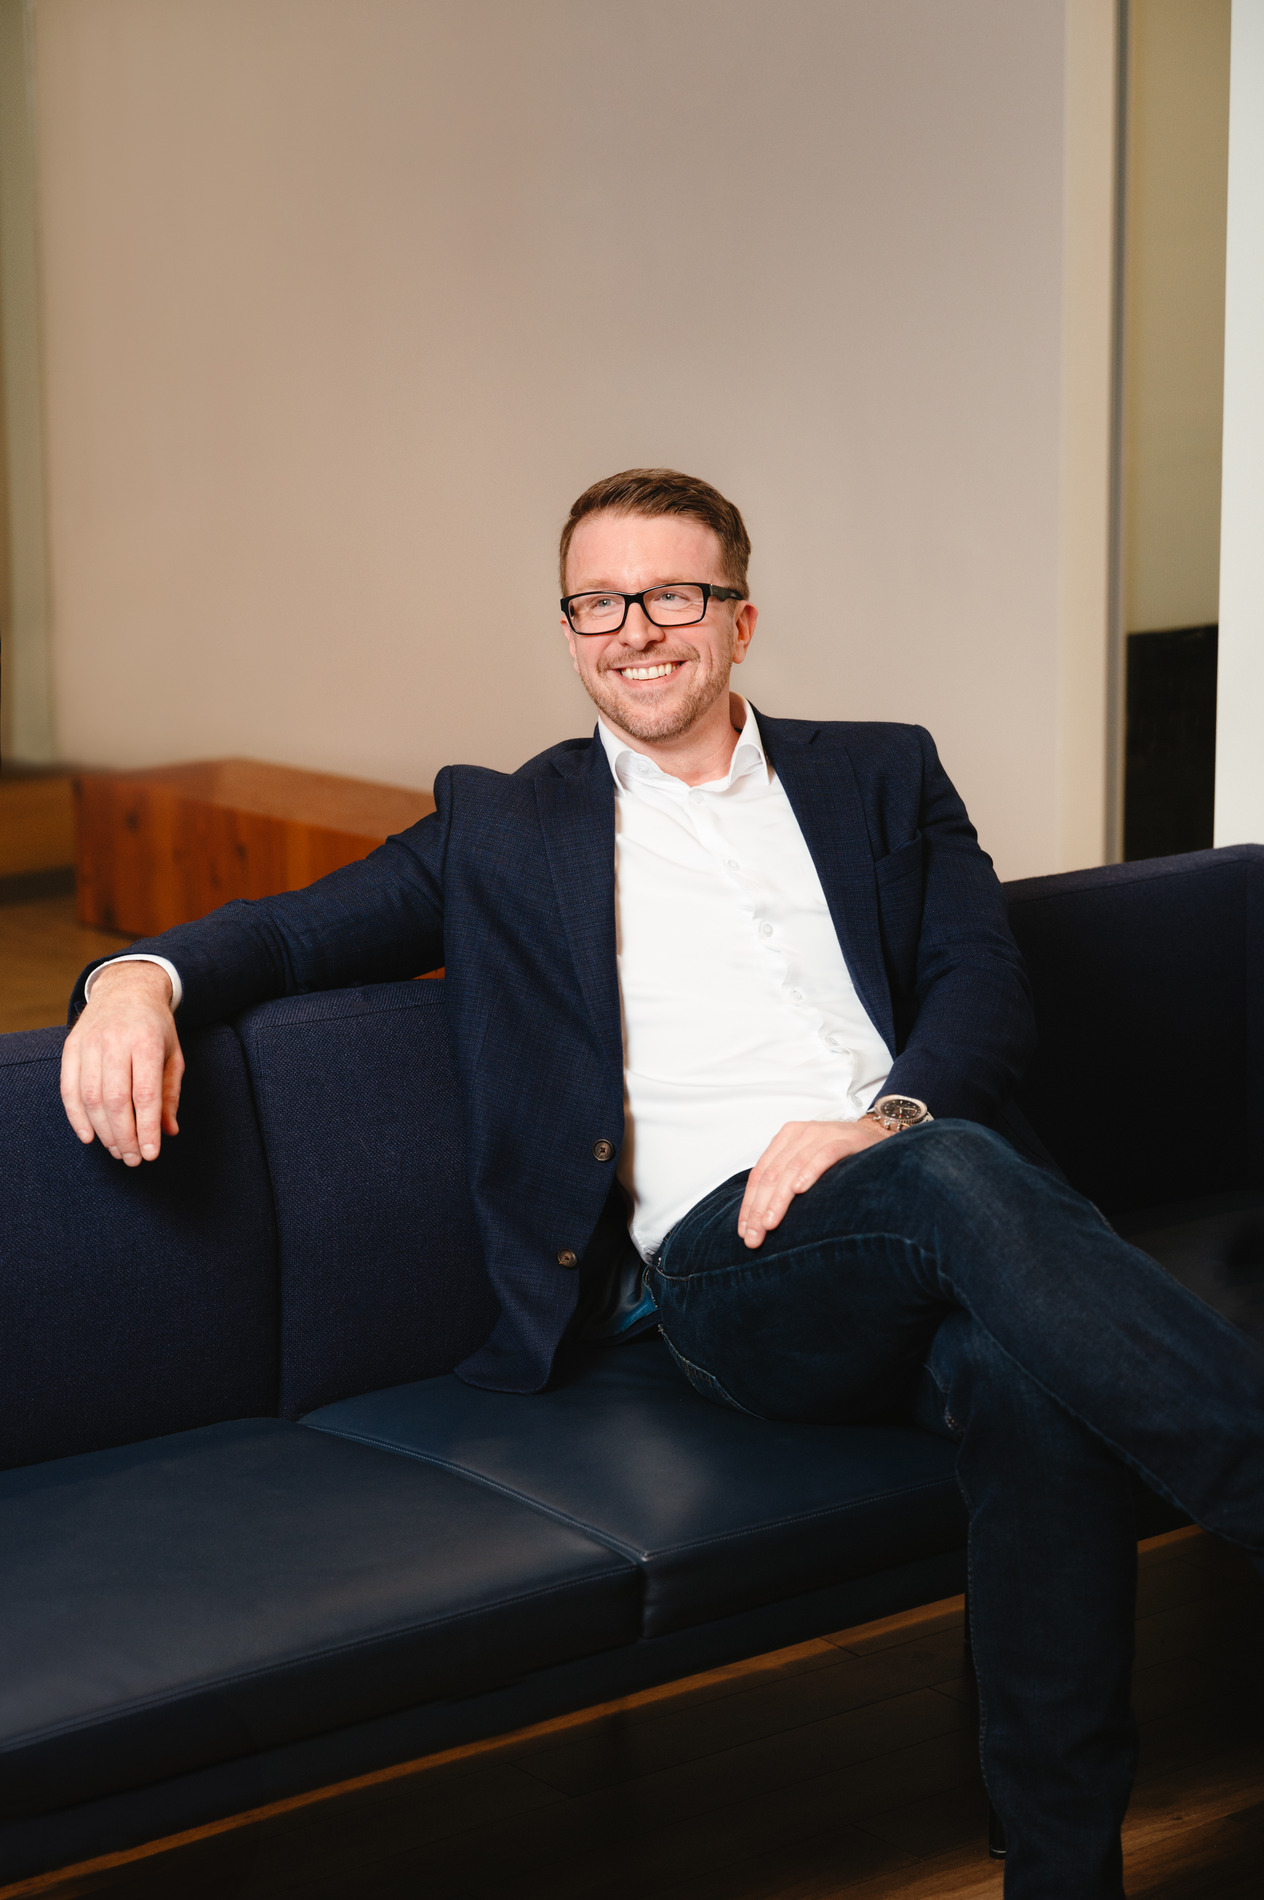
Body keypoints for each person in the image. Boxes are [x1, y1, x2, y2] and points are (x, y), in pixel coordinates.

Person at [61, 468, 1263, 1899]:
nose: (635, 629)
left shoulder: (884, 771)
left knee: (1023, 1376)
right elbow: (291, 933)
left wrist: (877, 1119)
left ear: (739, 620)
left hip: (935, 1199)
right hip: (729, 1270)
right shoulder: (504, 826)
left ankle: (1063, 1872)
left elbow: (980, 988)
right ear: (569, 626)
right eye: (597, 602)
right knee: (950, 1168)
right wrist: (136, 978)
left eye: (672, 596)